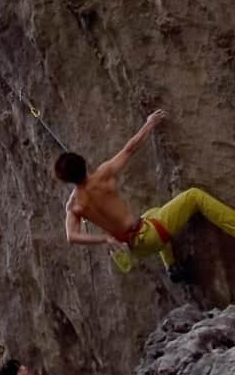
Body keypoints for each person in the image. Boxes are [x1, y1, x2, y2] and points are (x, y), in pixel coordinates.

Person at [54, 109, 235, 279]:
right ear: (83, 163)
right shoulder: (102, 175)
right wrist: (149, 124)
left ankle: (172, 268)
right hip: (151, 235)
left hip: (135, 248)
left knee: (152, 213)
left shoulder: (75, 206)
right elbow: (129, 149)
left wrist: (105, 239)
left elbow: (72, 237)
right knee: (195, 196)